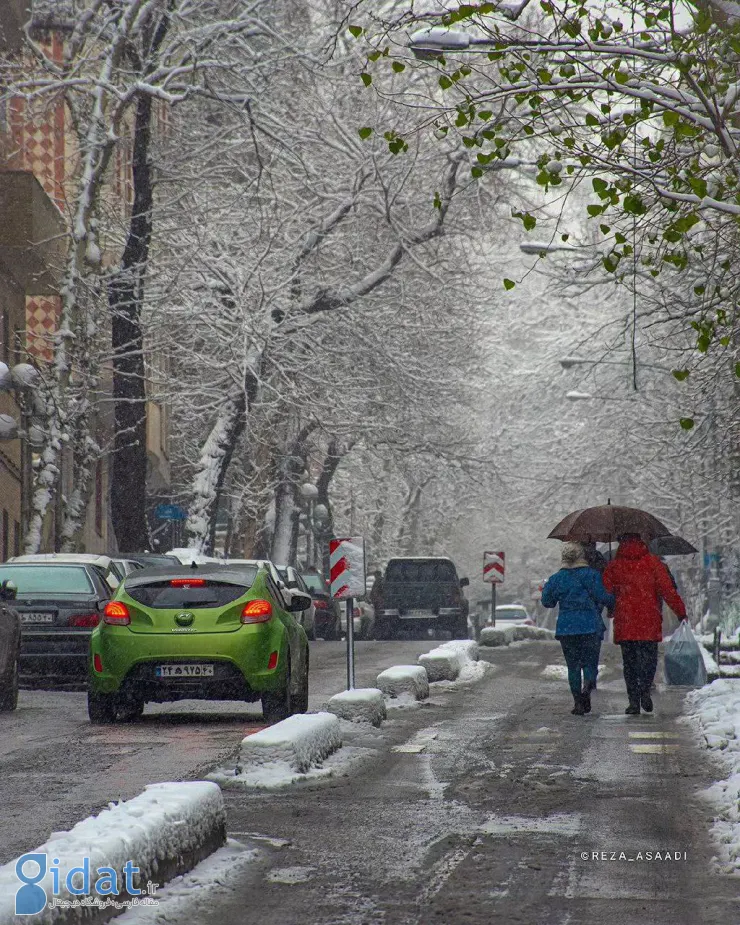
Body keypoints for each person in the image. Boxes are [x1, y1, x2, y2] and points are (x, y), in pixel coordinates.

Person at [603, 534, 687, 715]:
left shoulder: (615, 566)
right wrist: (681, 612)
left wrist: (611, 607)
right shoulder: (653, 563)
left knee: (630, 663)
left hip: (626, 623)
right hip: (649, 621)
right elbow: (668, 591)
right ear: (642, 543)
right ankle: (645, 689)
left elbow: (606, 592)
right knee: (649, 661)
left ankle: (633, 701)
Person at [541, 542, 615, 716]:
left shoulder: (557, 578)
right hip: (590, 625)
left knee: (573, 666)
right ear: (581, 556)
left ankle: (577, 702)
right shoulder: (591, 575)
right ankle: (588, 684)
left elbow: (547, 602)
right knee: (590, 662)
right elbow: (603, 596)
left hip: (567, 627)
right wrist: (613, 600)